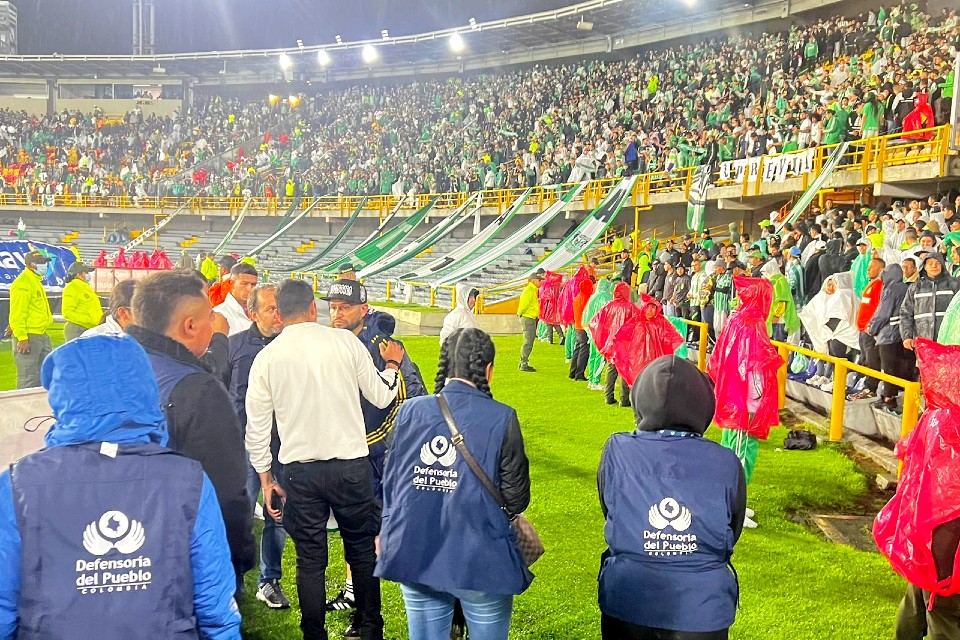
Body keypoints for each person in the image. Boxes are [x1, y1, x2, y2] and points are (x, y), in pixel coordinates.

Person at [0, 334, 241, 640]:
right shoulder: (188, 480)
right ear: (144, 388)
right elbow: (216, 607)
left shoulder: (17, 485)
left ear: (62, 394)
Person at [245, 278, 406, 640]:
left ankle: (313, 633)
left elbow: (256, 430)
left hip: (300, 471)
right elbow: (381, 397)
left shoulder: (267, 357)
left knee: (311, 560)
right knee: (362, 552)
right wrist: (393, 367)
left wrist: (267, 480)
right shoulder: (344, 342)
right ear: (314, 309)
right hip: (350, 466)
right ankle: (369, 628)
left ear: (280, 313)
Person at [376, 328, 532, 640]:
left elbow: (390, 482)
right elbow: (515, 500)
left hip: (416, 552)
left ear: (445, 366)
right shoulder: (502, 417)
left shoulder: (408, 411)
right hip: (482, 560)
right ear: (488, 370)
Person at [126, 271, 255, 599]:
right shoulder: (199, 391)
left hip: (123, 551)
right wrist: (236, 562)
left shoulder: (116, 372)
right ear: (190, 326)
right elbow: (226, 492)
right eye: (210, 318)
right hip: (184, 557)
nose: (215, 325)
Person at [598, 355, 746, 640]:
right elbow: (732, 528)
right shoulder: (726, 461)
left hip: (629, 599)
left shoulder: (617, 449)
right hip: (702, 609)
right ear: (703, 403)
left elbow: (611, 509)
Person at [324, 280, 428, 633]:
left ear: (362, 310)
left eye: (344, 308)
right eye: (333, 307)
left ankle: (422, 591)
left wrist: (394, 447)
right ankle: (357, 591)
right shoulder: (337, 342)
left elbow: (412, 394)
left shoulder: (382, 346)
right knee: (359, 529)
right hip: (355, 450)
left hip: (379, 453)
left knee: (376, 529)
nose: (336, 314)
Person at [873, 338, 960, 639]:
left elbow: (910, 474)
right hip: (947, 541)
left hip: (923, 534)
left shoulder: (932, 420)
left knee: (917, 600)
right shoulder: (944, 425)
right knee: (943, 612)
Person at [222, 283, 291, 610]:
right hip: (244, 447)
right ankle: (231, 582)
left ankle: (269, 580)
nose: (278, 315)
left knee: (277, 513)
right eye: (270, 309)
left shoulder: (292, 347)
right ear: (253, 313)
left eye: (280, 308)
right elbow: (219, 394)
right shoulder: (234, 347)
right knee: (241, 514)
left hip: (285, 446)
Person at [709, 277, 784, 529]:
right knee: (740, 454)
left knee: (735, 449)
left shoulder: (738, 319)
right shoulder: (750, 323)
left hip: (738, 399)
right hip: (745, 400)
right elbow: (752, 364)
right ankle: (730, 508)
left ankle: (732, 502)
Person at [798, 273, 861, 391]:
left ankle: (837, 382)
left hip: (840, 333)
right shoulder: (831, 296)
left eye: (835, 283)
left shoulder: (844, 295)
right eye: (830, 284)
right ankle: (828, 377)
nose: (832, 287)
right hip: (832, 334)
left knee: (838, 358)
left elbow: (839, 315)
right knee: (831, 357)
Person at [609, 294, 684, 387]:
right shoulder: (635, 322)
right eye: (648, 307)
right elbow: (620, 337)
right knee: (633, 380)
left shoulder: (660, 322)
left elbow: (671, 337)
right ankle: (625, 399)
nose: (651, 311)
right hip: (637, 360)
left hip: (653, 359)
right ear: (643, 308)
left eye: (653, 308)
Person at [868, 264, 914, 413]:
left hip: (889, 334)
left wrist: (872, 328)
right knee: (902, 365)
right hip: (905, 334)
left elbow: (883, 313)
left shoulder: (890, 290)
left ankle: (889, 398)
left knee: (888, 367)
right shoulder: (907, 288)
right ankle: (902, 398)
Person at [591, 282, 644, 407]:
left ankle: (608, 397)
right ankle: (624, 399)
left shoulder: (608, 306)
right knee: (625, 371)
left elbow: (597, 322)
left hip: (611, 343)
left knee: (611, 369)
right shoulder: (631, 307)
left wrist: (604, 339)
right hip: (625, 343)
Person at [9, 251, 53, 389]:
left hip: (40, 333)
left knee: (43, 375)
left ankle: (38, 408)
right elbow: (18, 312)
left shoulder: (33, 281)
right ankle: (22, 410)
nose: (44, 265)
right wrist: (22, 337)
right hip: (30, 335)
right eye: (40, 263)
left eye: (45, 262)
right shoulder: (23, 283)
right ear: (29, 265)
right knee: (27, 378)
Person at [900, 253, 960, 350]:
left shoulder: (954, 284)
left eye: (938, 263)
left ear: (943, 266)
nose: (934, 266)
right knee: (926, 365)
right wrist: (907, 336)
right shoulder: (915, 287)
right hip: (923, 340)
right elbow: (906, 313)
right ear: (924, 267)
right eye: (930, 263)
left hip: (949, 341)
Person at [849, 257, 886, 401]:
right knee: (865, 359)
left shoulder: (880, 285)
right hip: (862, 329)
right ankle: (864, 384)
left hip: (870, 331)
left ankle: (871, 388)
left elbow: (879, 308)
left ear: (881, 269)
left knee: (872, 360)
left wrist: (871, 326)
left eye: (872, 267)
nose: (868, 270)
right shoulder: (871, 284)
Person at [583, 278, 615, 391]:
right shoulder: (607, 298)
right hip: (602, 333)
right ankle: (595, 381)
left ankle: (591, 379)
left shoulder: (593, 297)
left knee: (592, 356)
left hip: (592, 331)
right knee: (600, 357)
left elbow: (585, 316)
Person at [61, 262, 103, 341]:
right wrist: (89, 320)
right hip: (77, 329)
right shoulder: (72, 287)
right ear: (78, 274)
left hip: (88, 328)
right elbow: (67, 313)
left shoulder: (86, 288)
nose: (88, 274)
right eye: (86, 272)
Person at [214, 262, 259, 336]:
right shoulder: (219, 314)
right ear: (232, 284)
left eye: (253, 284)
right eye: (244, 283)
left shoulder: (261, 311)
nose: (249, 289)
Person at [517, 269, 545, 372]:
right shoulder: (529, 290)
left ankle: (523, 362)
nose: (541, 282)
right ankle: (523, 363)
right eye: (539, 280)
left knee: (529, 341)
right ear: (534, 281)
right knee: (528, 341)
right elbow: (524, 305)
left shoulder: (532, 290)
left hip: (530, 317)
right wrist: (520, 314)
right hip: (528, 317)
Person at [569, 279, 595, 381]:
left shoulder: (577, 297)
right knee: (584, 351)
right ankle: (579, 374)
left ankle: (573, 371)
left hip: (577, 326)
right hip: (584, 327)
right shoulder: (586, 298)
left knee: (577, 349)